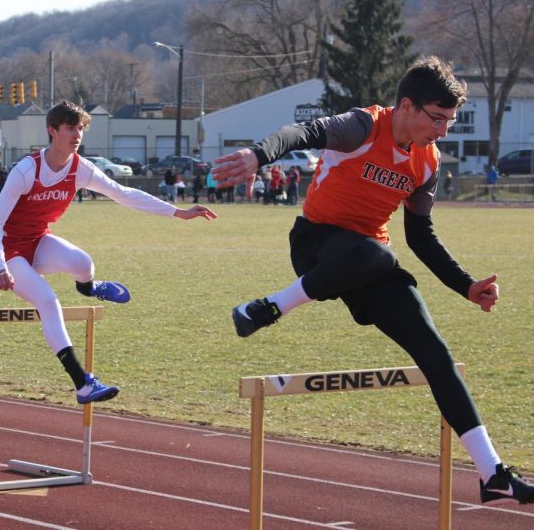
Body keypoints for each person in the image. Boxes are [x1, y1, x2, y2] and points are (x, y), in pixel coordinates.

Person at [212, 56, 533, 506]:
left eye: (450, 121)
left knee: (435, 352)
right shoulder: (364, 126)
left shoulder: (427, 162)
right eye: (437, 119)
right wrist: (257, 155)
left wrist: (466, 286)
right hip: (317, 244)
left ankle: (492, 473)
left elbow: (420, 237)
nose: (442, 130)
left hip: (370, 262)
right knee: (375, 252)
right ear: (407, 106)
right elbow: (300, 134)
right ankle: (268, 307)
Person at [0, 100, 216, 405]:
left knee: (83, 263)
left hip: (38, 240)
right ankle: (82, 383)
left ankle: (90, 288)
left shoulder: (81, 168)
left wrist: (178, 212)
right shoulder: (27, 170)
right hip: (7, 247)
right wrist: (0, 267)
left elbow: (124, 195)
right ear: (52, 130)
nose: (77, 134)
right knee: (48, 300)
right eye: (70, 127)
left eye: (81, 128)